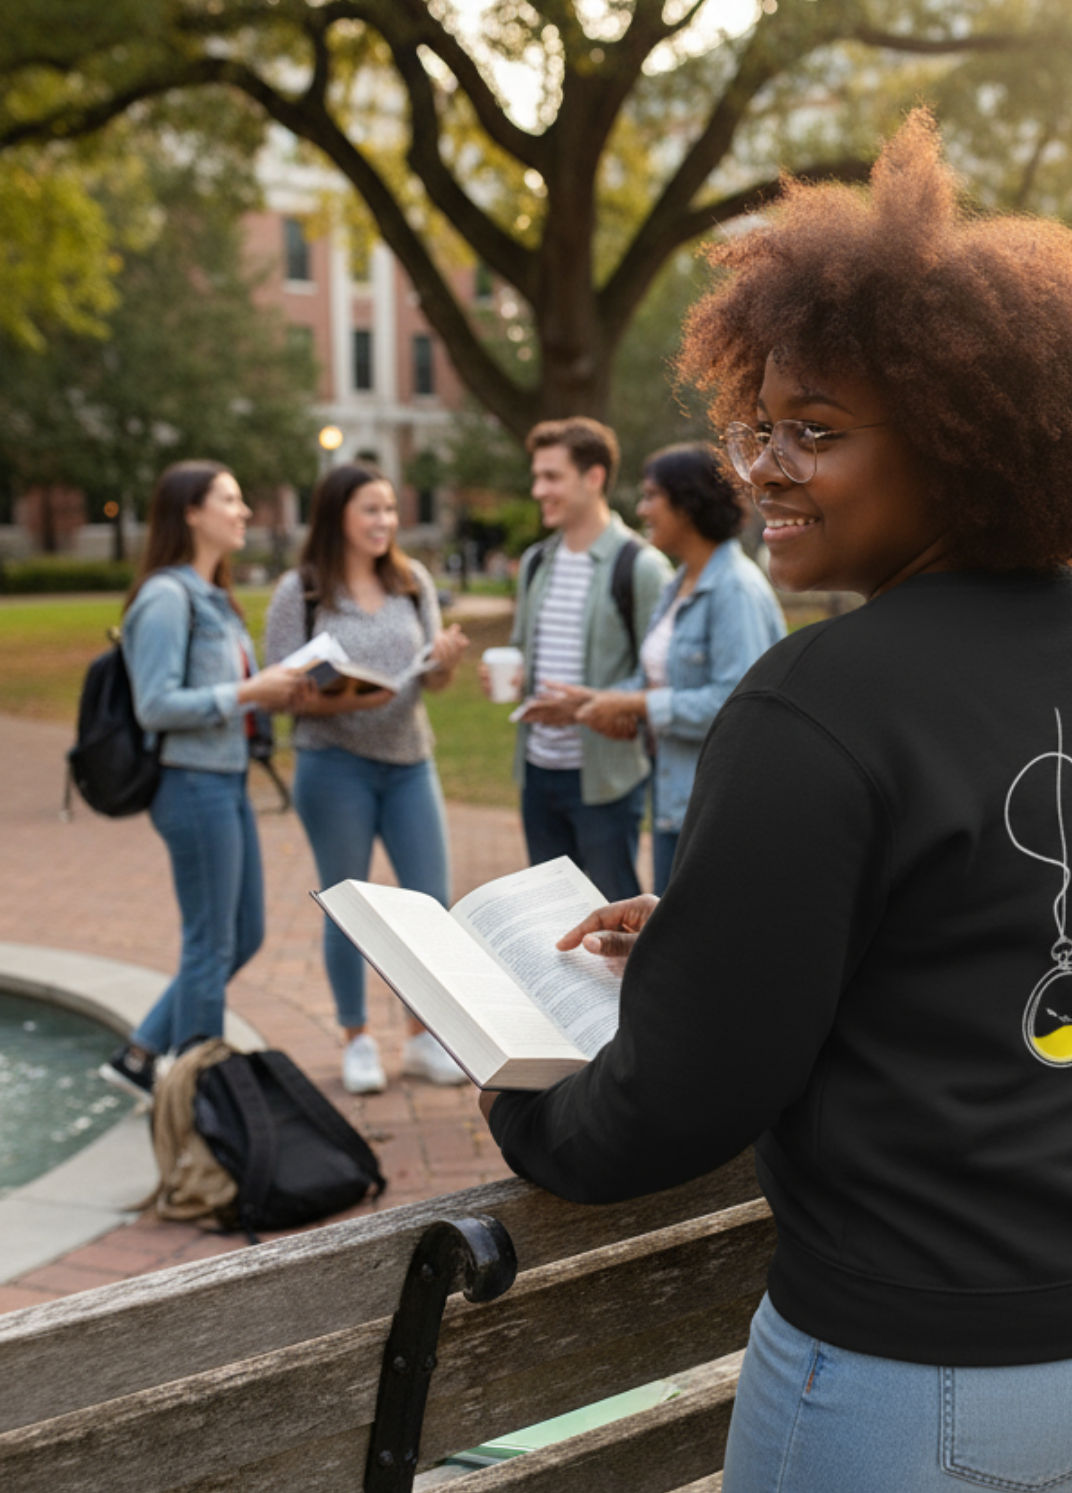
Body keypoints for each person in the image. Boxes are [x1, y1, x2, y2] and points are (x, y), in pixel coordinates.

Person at [480, 112, 1072, 1493]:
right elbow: (1060, 907)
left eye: (816, 430)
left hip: (969, 1351)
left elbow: (681, 1106)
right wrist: (726, 924)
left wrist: (519, 1101)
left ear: (967, 437)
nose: (762, 471)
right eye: (747, 429)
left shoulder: (817, 701)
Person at [101, 461, 311, 1098]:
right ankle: (202, 1097)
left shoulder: (213, 595)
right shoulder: (166, 597)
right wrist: (249, 689)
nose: (243, 511)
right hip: (190, 786)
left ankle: (141, 1056)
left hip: (225, 779)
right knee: (209, 944)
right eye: (230, 499)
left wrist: (266, 695)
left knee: (240, 935)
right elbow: (155, 705)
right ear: (190, 511)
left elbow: (220, 693)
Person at [264, 462, 470, 1094]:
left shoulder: (413, 583)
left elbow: (432, 680)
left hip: (410, 762)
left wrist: (444, 665)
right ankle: (355, 1038)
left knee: (428, 906)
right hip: (334, 766)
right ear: (337, 517)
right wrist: (344, 699)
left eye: (389, 509)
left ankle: (422, 1035)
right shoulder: (300, 591)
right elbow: (278, 691)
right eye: (370, 511)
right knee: (348, 906)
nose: (385, 522)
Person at [546, 444, 786, 891]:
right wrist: (597, 703)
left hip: (721, 814)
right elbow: (657, 679)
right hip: (677, 800)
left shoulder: (735, 590)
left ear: (688, 502)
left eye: (652, 496)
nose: (642, 509)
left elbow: (737, 707)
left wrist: (634, 703)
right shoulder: (679, 582)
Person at [487, 417, 672, 900]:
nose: (537, 489)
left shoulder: (642, 566)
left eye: (551, 477)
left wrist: (593, 705)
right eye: (536, 476)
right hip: (537, 772)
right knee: (552, 922)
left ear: (593, 478)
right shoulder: (535, 562)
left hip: (606, 782)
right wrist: (510, 674)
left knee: (614, 922)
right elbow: (525, 649)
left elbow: (663, 678)